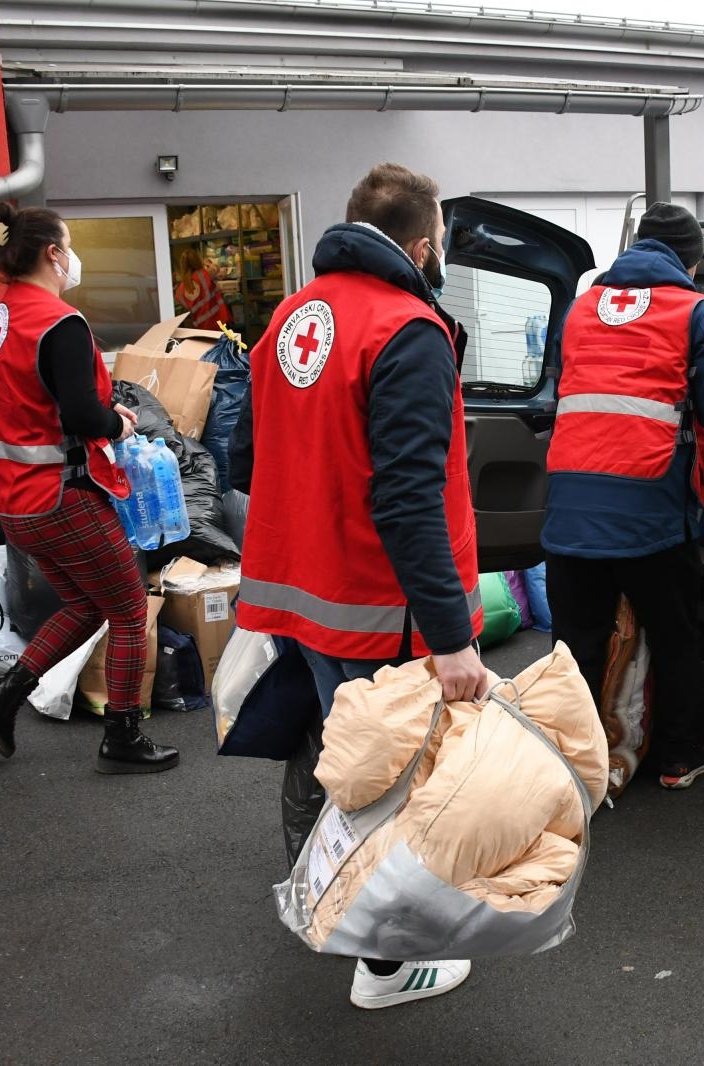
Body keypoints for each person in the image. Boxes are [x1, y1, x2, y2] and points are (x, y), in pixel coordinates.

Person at [230, 162, 484, 1009]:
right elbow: (408, 498)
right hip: (376, 606)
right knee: (386, 778)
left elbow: (245, 454)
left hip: (301, 589)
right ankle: (384, 963)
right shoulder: (407, 329)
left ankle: (314, 889)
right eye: (440, 242)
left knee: (330, 747)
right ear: (419, 243)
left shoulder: (292, 318)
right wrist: (452, 638)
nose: (440, 256)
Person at [541, 202, 704, 791]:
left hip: (571, 509)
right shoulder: (696, 311)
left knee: (574, 645)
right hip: (649, 514)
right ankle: (678, 757)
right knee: (675, 635)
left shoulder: (580, 311)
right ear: (692, 260)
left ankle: (564, 768)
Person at [0, 202, 178, 775]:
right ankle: (123, 738)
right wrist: (119, 422)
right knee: (131, 610)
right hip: (63, 496)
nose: (73, 256)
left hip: (16, 501)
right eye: (70, 244)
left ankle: (2, 702)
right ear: (54, 254)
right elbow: (82, 413)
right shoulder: (59, 321)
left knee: (86, 603)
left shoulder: (1, 318)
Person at [175, 246, 227, 331]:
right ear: (197, 261)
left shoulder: (180, 290)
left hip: (200, 326)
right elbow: (216, 268)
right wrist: (207, 263)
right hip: (217, 321)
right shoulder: (204, 274)